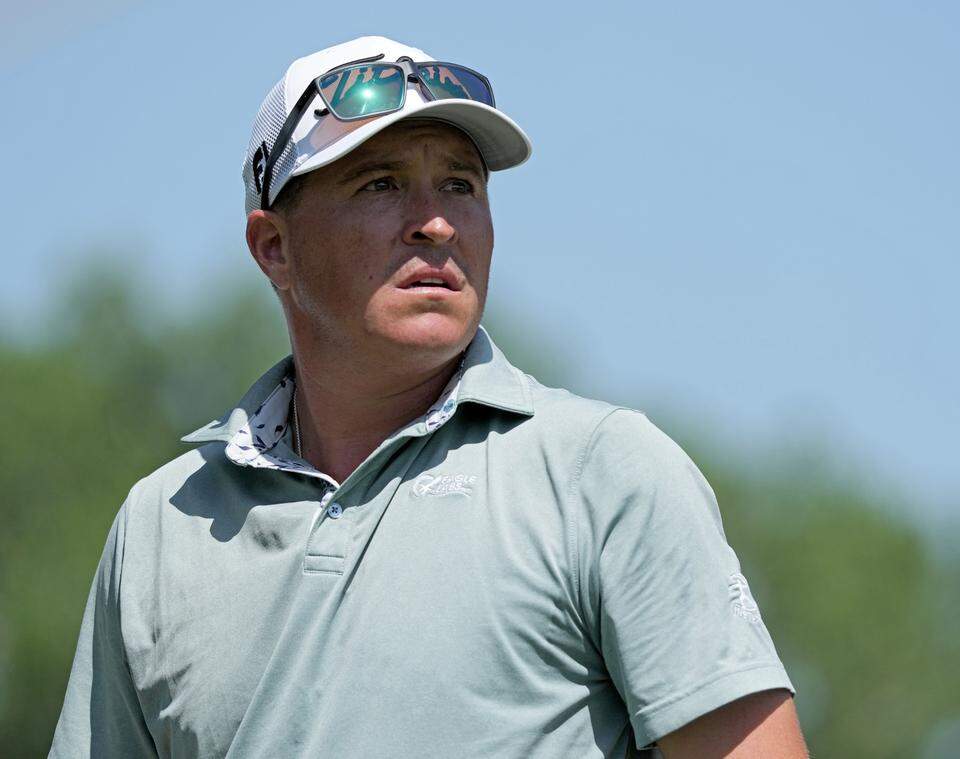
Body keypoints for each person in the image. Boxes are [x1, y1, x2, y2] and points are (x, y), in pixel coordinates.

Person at [49, 35, 809, 758]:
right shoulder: (162, 524)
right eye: (380, 184)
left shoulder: (602, 473)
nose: (438, 223)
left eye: (460, 184)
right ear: (274, 247)